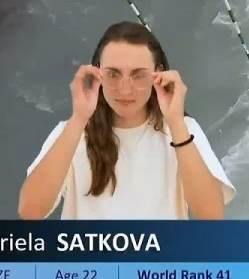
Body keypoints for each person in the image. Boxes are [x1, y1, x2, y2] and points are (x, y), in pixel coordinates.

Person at [18, 21, 236, 220]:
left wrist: (177, 124)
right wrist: (78, 119)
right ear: (97, 73)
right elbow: (30, 212)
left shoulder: (183, 130)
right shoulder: (70, 133)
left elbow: (212, 216)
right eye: (113, 74)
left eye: (138, 75)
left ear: (157, 75)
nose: (124, 89)